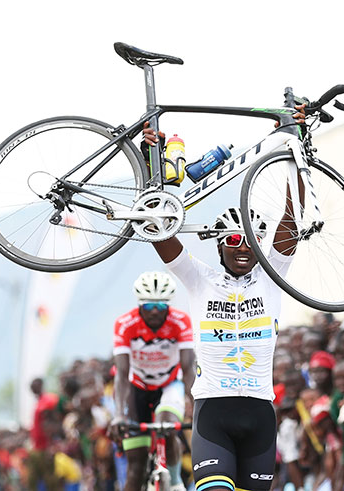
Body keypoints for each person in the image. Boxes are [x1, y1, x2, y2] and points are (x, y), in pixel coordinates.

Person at [142, 107, 305, 491]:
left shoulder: (271, 275)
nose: (243, 246)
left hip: (260, 414)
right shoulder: (200, 279)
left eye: (249, 238)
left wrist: (295, 154)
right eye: (232, 239)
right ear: (219, 247)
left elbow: (291, 221)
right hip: (213, 412)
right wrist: (150, 169)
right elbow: (157, 229)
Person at [108, 271, 194, 491]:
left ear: (169, 306)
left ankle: (174, 482)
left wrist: (195, 404)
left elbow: (188, 367)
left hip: (169, 384)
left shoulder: (181, 321)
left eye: (161, 307)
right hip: (137, 387)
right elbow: (122, 373)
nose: (155, 312)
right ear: (139, 305)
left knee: (167, 425)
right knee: (135, 469)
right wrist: (119, 415)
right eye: (148, 307)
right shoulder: (125, 323)